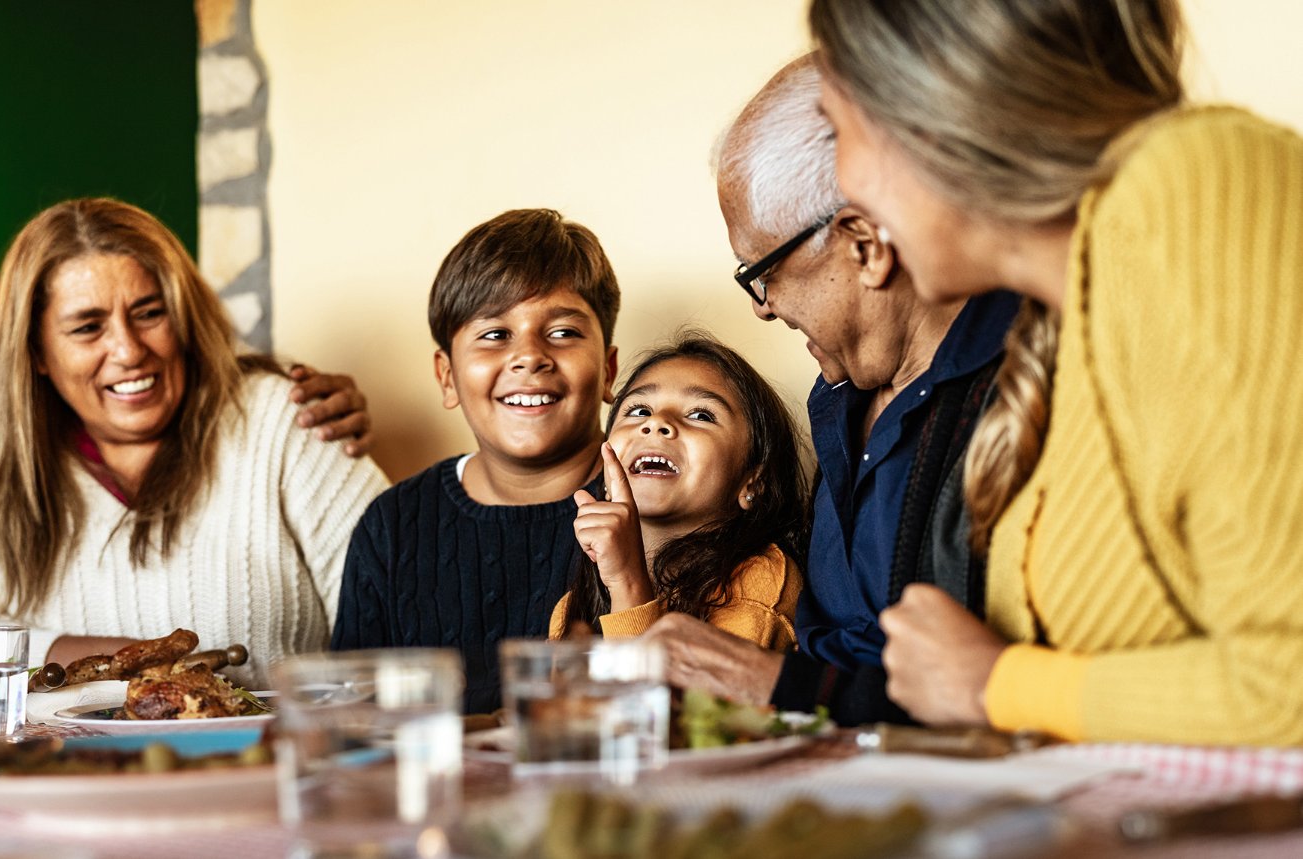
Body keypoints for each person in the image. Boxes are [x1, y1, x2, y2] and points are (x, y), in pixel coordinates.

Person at [811, 0, 1303, 744]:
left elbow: (1287, 678)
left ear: (934, 111)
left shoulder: (1194, 182)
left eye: (836, 130)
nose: (846, 191)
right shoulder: (1060, 324)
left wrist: (998, 683)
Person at [641, 55, 1018, 724]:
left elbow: (999, 694)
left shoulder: (1024, 386)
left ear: (864, 244)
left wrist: (776, 683)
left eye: (761, 271)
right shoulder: (838, 397)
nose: (761, 307)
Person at [0, 246, 374, 676]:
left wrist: (280, 382)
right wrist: (138, 664)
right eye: (86, 327)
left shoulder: (283, 416)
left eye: (151, 313)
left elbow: (397, 604)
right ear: (37, 354)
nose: (127, 350)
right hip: (56, 767)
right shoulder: (5, 447)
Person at [331, 208, 621, 713]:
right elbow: (354, 717)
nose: (530, 356)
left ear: (609, 371)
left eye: (563, 333)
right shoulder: (393, 526)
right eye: (494, 334)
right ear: (447, 378)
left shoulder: (658, 503)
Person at [549, 334, 808, 652]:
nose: (656, 422)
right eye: (639, 410)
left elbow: (690, 702)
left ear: (753, 481)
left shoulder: (761, 579)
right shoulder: (572, 607)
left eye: (701, 415)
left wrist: (627, 583)